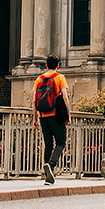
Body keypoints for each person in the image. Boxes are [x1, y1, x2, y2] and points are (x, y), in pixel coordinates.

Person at [32, 56, 68, 185]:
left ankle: (47, 175)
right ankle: (51, 166)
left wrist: (35, 118)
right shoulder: (60, 78)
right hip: (56, 115)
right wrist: (68, 116)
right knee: (61, 142)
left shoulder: (39, 79)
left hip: (43, 116)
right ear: (57, 65)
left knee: (48, 144)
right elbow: (64, 97)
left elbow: (35, 100)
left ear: (46, 65)